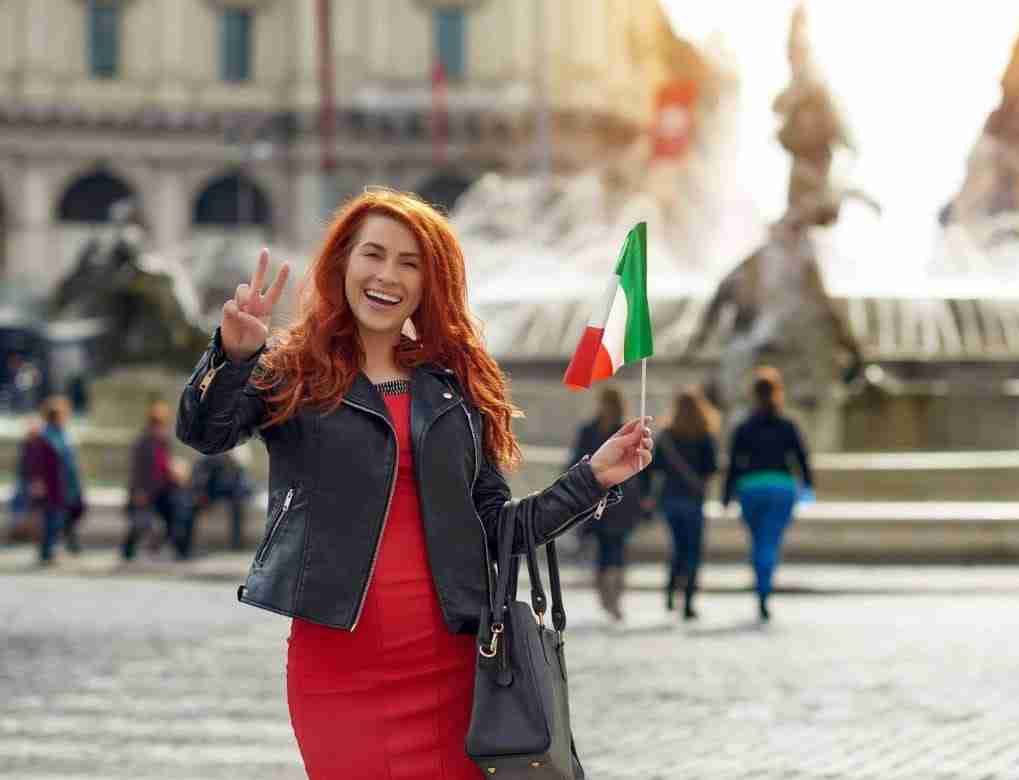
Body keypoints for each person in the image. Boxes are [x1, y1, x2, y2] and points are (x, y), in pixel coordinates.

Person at [175, 187, 653, 779]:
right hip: (338, 669)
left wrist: (593, 478)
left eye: (409, 263)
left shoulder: (456, 389)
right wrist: (231, 356)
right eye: (373, 255)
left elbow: (500, 530)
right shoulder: (293, 373)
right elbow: (206, 432)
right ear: (343, 262)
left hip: (454, 666)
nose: (387, 276)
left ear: (431, 283)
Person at [723, 366, 813, 622]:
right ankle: (765, 586)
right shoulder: (787, 425)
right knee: (771, 539)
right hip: (781, 487)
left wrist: (726, 494)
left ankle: (760, 583)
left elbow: (734, 463)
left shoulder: (744, 427)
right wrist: (807, 485)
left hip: (751, 488)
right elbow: (801, 457)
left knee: (757, 539)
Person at [568, 386, 651, 622]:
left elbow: (576, 463)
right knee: (617, 548)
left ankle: (607, 597)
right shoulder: (627, 431)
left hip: (598, 497)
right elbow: (642, 467)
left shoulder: (590, 430)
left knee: (604, 548)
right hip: (623, 498)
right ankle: (613, 598)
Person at [649, 386, 720, 620]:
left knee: (677, 548)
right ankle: (688, 601)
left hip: (670, 499)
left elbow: (655, 466)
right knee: (693, 551)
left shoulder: (668, 435)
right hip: (694, 499)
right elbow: (711, 468)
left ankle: (670, 593)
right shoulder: (705, 435)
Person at [24, 396, 86, 563]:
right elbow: (36, 462)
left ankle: (64, 545)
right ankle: (47, 551)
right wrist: (37, 482)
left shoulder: (62, 434)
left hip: (65, 483)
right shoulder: (44, 436)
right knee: (53, 517)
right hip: (53, 484)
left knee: (65, 514)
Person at [124, 401, 185, 560]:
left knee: (174, 517)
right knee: (140, 524)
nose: (160, 427)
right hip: (145, 490)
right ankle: (128, 551)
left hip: (162, 488)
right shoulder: (142, 442)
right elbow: (136, 469)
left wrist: (176, 473)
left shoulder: (164, 441)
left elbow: (165, 463)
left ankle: (171, 550)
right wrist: (138, 491)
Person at [190, 449, 255, 550]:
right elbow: (200, 473)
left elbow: (242, 476)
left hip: (229, 490)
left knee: (237, 503)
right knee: (191, 502)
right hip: (209, 488)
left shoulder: (237, 447)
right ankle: (188, 545)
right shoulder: (207, 448)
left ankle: (236, 544)